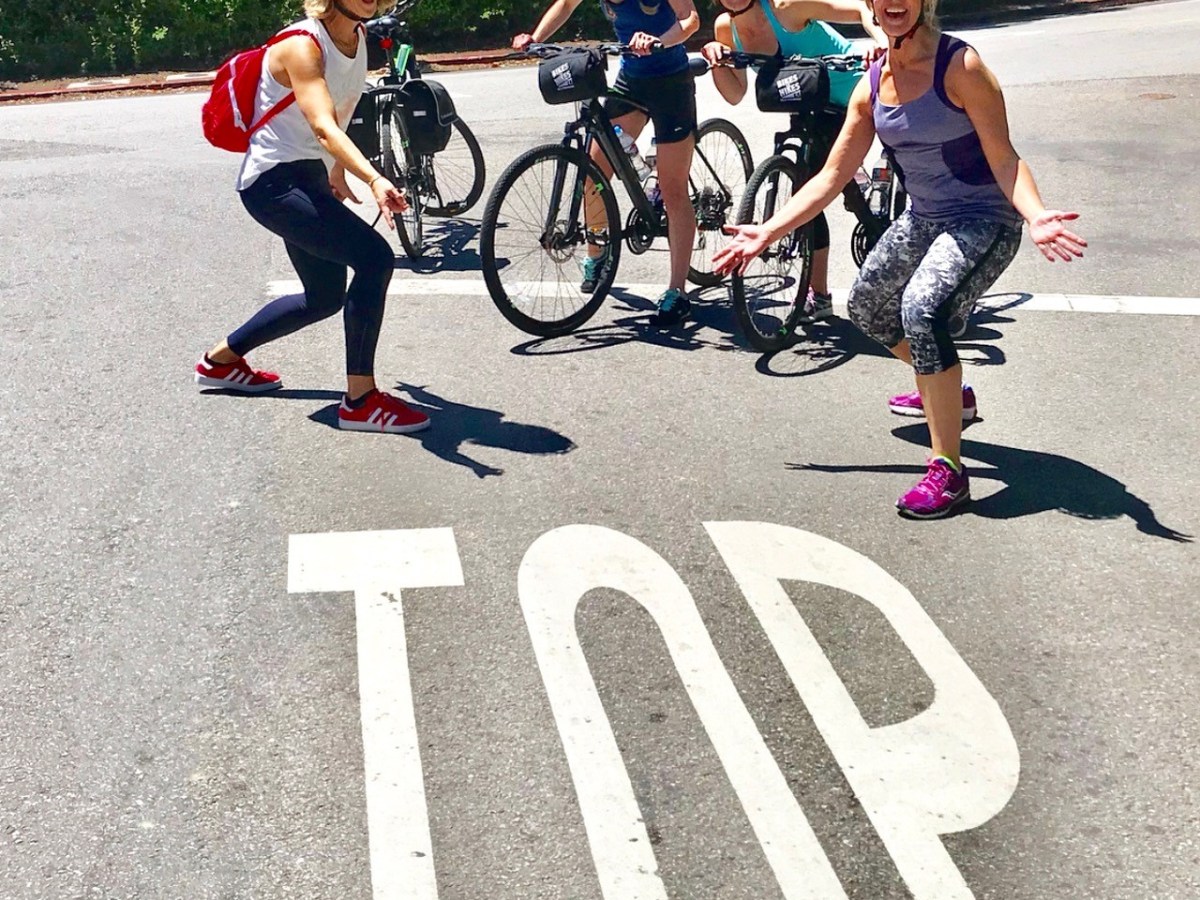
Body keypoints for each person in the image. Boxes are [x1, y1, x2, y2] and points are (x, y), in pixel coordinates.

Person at [714, 0, 1086, 519]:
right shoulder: (871, 84)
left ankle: (949, 471)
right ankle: (950, 393)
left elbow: (1004, 156)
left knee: (921, 309)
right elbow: (830, 176)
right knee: (866, 306)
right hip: (926, 218)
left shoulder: (961, 67)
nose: (893, 2)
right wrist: (767, 232)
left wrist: (1037, 213)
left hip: (983, 219)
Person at [195, 0, 431, 435]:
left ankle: (219, 363)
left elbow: (338, 113)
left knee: (322, 298)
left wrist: (335, 171)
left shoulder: (357, 39)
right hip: (274, 185)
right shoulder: (303, 46)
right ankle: (360, 401)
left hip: (306, 177)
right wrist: (375, 179)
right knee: (375, 258)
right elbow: (323, 126)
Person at [512, 0, 701, 326]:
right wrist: (535, 38)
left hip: (671, 82)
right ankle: (597, 254)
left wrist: (659, 41)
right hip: (632, 80)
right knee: (594, 171)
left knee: (673, 191)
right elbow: (566, 4)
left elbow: (691, 20)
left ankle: (677, 292)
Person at [702, 0, 886, 323]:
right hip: (808, 106)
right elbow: (734, 93)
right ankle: (821, 295)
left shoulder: (786, 7)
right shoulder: (725, 27)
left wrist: (881, 42)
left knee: (832, 176)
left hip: (852, 95)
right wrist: (718, 59)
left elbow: (859, 8)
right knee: (804, 194)